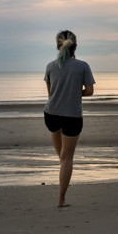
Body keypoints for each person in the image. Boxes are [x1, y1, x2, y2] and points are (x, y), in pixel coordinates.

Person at [44, 30, 95, 207]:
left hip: (51, 114)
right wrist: (75, 92)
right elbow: (89, 91)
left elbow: (51, 93)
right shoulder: (82, 66)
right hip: (71, 116)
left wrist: (64, 93)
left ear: (58, 46)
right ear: (75, 46)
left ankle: (62, 190)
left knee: (63, 158)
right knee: (67, 159)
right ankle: (61, 199)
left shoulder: (50, 66)